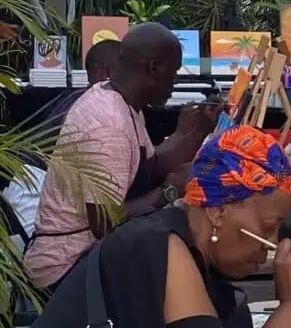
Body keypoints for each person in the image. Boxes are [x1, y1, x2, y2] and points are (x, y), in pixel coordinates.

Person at [0, 125, 291, 328]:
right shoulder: (158, 249)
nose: (271, 245)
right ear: (218, 212)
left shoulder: (177, 241)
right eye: (268, 227)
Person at [25, 23, 220, 294]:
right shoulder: (108, 124)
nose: (174, 83)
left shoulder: (120, 100)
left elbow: (149, 168)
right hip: (66, 265)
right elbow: (104, 223)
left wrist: (197, 131)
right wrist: (170, 190)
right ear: (153, 69)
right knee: (181, 272)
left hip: (88, 252)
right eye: (173, 73)